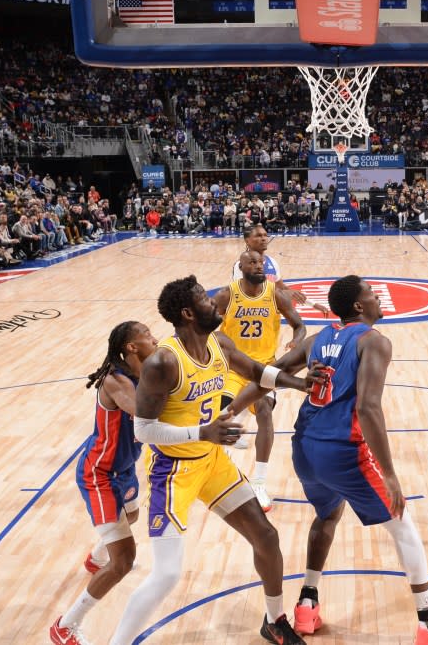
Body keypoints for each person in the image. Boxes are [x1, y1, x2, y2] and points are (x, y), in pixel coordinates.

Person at [227, 276, 428, 644]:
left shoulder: (319, 338)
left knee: (326, 515)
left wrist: (231, 410)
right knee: (403, 523)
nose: (377, 297)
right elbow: (369, 409)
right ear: (358, 306)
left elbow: (268, 375)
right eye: (372, 293)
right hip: (343, 452)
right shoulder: (374, 341)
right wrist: (390, 475)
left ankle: (307, 605)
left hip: (304, 448)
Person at [107, 275, 321, 645]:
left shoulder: (218, 342)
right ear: (189, 313)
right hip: (173, 472)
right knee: (167, 575)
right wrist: (201, 433)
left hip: (210, 462)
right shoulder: (163, 362)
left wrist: (299, 383)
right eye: (204, 301)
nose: (214, 304)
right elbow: (143, 430)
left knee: (266, 538)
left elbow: (256, 370)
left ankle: (274, 621)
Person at [50, 322, 158, 645]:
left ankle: (96, 557)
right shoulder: (114, 381)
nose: (154, 337)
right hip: (100, 475)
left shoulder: (141, 373)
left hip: (123, 469)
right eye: (147, 334)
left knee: (133, 516)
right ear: (131, 347)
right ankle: (65, 626)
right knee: (123, 561)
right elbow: (142, 412)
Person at [216, 249, 306, 511]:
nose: (258, 266)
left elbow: (299, 325)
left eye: (260, 262)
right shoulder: (226, 295)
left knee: (264, 411)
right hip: (232, 369)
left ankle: (259, 482)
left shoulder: (275, 294)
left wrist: (295, 341)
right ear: (240, 268)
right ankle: (219, 470)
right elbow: (204, 328)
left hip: (264, 368)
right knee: (221, 414)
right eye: (251, 263)